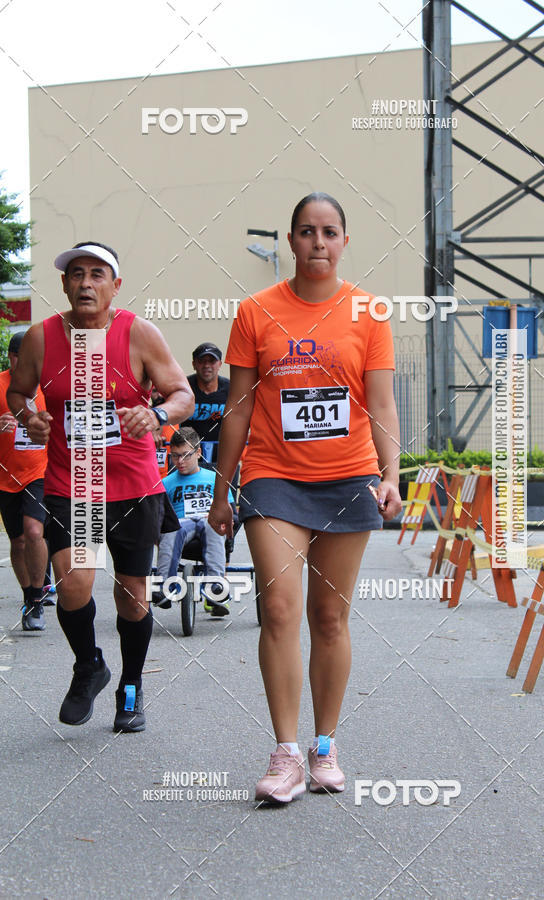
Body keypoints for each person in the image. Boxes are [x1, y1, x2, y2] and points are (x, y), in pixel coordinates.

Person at [208, 192, 402, 803]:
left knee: (329, 616)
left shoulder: (369, 313)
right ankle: (286, 752)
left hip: (349, 478)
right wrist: (222, 488)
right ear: (290, 241)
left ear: (344, 242)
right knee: (282, 610)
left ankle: (325, 743)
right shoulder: (255, 312)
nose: (318, 242)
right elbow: (238, 408)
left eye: (330, 232)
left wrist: (391, 474)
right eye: (306, 232)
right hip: (273, 478)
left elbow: (382, 403)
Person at [8, 241, 194, 733]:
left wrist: (153, 414)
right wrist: (30, 417)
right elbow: (18, 391)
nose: (85, 283)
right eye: (76, 275)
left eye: (96, 274)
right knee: (73, 585)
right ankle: (89, 664)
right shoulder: (43, 338)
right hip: (75, 484)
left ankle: (130, 689)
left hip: (134, 487)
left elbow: (183, 394)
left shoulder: (139, 334)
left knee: (133, 595)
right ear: (64, 284)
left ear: (115, 285)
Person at [153, 427, 234, 616]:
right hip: (181, 525)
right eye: (175, 456)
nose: (180, 462)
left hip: (210, 522)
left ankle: (216, 588)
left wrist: (226, 527)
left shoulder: (215, 479)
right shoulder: (166, 483)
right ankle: (165, 586)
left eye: (186, 455)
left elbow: (232, 512)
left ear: (198, 453)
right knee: (171, 528)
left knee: (213, 525)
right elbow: (159, 517)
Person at [0, 331, 48, 630]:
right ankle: (29, 596)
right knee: (17, 543)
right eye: (19, 355)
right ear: (11, 357)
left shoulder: (47, 384)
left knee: (33, 531)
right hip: (5, 476)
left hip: (39, 472)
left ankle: (40, 598)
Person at [181, 342, 229, 466]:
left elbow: (245, 416)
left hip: (223, 453)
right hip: (187, 455)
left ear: (220, 364)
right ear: (194, 364)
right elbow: (163, 410)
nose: (207, 365)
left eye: (212, 361)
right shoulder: (183, 387)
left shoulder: (231, 389)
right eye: (202, 361)